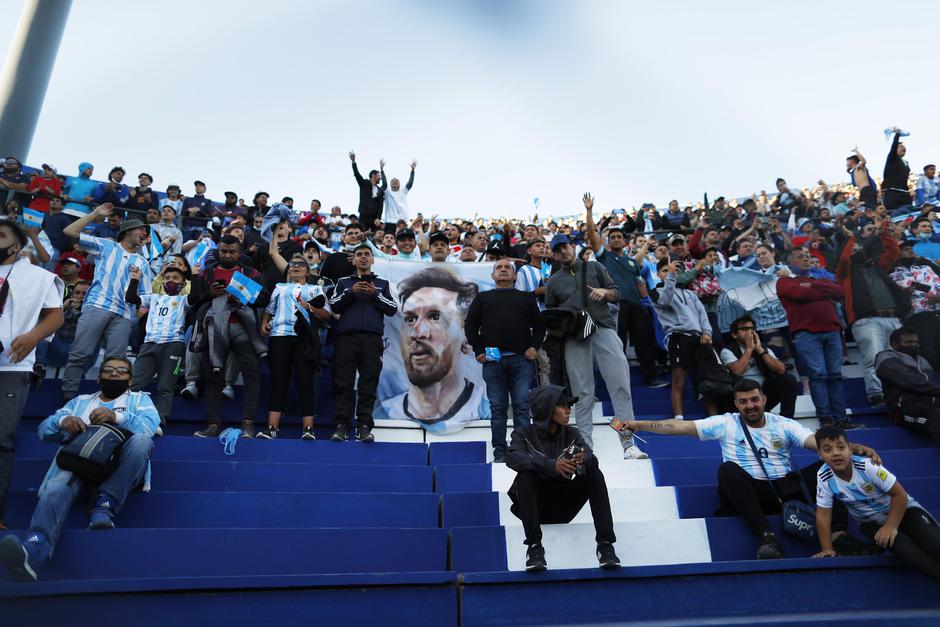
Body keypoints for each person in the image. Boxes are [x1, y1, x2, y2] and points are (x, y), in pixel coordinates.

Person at [620, 379, 879, 559]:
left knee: (832, 465)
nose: (750, 406)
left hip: (786, 489)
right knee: (727, 471)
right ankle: (766, 537)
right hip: (749, 493)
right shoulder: (725, 423)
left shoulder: (783, 424)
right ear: (736, 404)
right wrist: (638, 425)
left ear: (764, 399)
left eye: (754, 400)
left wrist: (853, 448)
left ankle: (839, 535)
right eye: (743, 402)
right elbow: (678, 427)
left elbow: (817, 444)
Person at [0, 356, 158, 582]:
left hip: (118, 470)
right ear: (98, 378)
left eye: (121, 371)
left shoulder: (140, 400)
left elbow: (149, 426)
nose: (114, 374)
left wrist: (116, 416)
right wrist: (62, 422)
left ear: (130, 380)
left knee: (142, 441)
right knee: (56, 489)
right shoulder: (81, 402)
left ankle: (105, 504)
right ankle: (34, 551)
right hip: (80, 466)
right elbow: (44, 431)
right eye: (108, 370)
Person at [545, 227, 646, 460]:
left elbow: (617, 292)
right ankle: (584, 448)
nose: (563, 252)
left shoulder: (595, 266)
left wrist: (604, 292)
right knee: (582, 393)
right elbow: (551, 312)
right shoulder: (554, 281)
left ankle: (628, 443)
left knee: (619, 385)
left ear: (573, 247)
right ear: (554, 255)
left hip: (602, 329)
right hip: (575, 337)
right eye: (557, 250)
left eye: (565, 247)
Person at [506, 384, 620, 572]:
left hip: (564, 505)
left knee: (593, 472)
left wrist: (584, 458)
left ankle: (605, 545)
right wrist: (550, 465)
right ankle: (534, 548)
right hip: (535, 507)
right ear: (547, 408)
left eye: (569, 406)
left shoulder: (572, 434)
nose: (569, 410)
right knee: (526, 475)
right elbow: (512, 457)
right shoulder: (523, 434)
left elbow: (592, 457)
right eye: (563, 406)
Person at [0, 221, 64, 530]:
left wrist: (32, 337)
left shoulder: (38, 277)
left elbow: (55, 315)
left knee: (1, 439)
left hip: (11, 365)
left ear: (15, 246)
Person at [813, 425, 940, 580]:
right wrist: (827, 548)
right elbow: (823, 516)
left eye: (841, 447)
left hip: (903, 510)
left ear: (850, 450)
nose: (836, 453)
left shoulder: (867, 466)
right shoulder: (824, 476)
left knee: (933, 543)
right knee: (904, 549)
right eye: (827, 450)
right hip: (871, 523)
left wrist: (891, 526)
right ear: (819, 455)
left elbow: (899, 495)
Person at [60, 204, 152, 402]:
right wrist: (95, 214)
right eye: (141, 229)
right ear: (127, 231)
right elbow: (69, 231)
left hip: (124, 315)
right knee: (80, 353)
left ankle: (109, 399)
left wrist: (138, 303)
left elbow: (147, 295)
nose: (145, 233)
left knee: (116, 362)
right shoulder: (107, 245)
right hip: (98, 305)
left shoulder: (143, 262)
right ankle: (68, 396)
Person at [380, 266, 486, 433]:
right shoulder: (382, 413)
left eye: (435, 317)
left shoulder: (487, 410)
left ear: (466, 335)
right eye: (410, 318)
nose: (418, 333)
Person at [464, 259, 544, 462]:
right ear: (492, 276)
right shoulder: (483, 298)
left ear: (515, 275)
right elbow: (471, 325)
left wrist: (534, 347)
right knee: (498, 408)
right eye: (498, 268)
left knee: (521, 406)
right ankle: (499, 452)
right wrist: (478, 350)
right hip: (492, 362)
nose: (503, 270)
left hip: (521, 361)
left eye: (507, 268)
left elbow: (540, 325)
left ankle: (523, 450)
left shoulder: (526, 298)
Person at [583, 194, 665, 388]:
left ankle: (651, 378)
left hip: (636, 305)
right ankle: (615, 381)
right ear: (609, 241)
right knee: (617, 344)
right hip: (614, 306)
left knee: (644, 342)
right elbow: (593, 236)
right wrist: (589, 211)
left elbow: (640, 284)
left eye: (620, 236)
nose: (617, 239)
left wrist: (648, 304)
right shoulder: (604, 256)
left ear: (624, 240)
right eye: (613, 237)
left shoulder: (632, 262)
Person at [192, 236, 269, 438]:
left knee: (251, 375)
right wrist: (210, 294)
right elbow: (194, 301)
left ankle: (248, 424)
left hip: (244, 330)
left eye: (232, 252)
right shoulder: (205, 273)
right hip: (215, 329)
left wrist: (244, 296)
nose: (227, 255)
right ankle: (212, 425)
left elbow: (264, 299)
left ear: (240, 252)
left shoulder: (251, 273)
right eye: (223, 251)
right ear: (218, 251)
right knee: (213, 377)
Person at [836, 218, 909, 406]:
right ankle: (877, 395)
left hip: (892, 318)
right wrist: (853, 237)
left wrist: (882, 232)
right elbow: (845, 258)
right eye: (854, 248)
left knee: (897, 361)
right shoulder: (845, 272)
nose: (856, 250)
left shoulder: (877, 266)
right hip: (866, 321)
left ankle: (899, 395)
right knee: (874, 359)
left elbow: (892, 251)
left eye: (858, 247)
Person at [258, 254, 331, 440]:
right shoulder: (279, 288)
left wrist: (310, 308)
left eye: (300, 264)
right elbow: (269, 310)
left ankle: (308, 429)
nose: (295, 267)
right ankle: (272, 429)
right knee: (278, 382)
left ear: (307, 270)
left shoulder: (316, 289)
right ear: (288, 270)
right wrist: (264, 322)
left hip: (304, 338)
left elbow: (326, 315)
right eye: (292, 265)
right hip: (279, 336)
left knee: (305, 381)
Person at [329, 244, 397, 442]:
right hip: (346, 339)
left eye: (367, 254)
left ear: (373, 259)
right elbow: (333, 305)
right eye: (359, 254)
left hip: (371, 339)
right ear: (354, 259)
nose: (363, 258)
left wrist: (374, 294)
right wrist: (351, 292)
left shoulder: (382, 283)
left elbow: (392, 309)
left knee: (369, 383)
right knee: (343, 383)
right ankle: (341, 426)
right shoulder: (343, 282)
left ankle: (364, 426)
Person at [777, 248, 852, 428]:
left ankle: (841, 419)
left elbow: (840, 292)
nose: (806, 259)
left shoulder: (818, 279)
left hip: (832, 332)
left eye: (807, 257)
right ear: (790, 262)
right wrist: (824, 291)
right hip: (806, 334)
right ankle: (826, 419)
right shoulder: (784, 281)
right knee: (818, 376)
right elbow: (798, 294)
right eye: (800, 257)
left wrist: (814, 285)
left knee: (835, 375)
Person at [125, 264, 204, 432]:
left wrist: (195, 275)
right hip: (149, 344)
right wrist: (135, 279)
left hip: (173, 345)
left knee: (165, 386)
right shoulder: (153, 298)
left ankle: (159, 422)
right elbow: (131, 297)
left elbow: (195, 296)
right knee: (135, 382)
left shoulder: (183, 300)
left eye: (176, 279)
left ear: (183, 284)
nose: (171, 281)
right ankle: (125, 416)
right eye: (167, 278)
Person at [652, 258, 719, 419]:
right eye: (666, 271)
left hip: (699, 338)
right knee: (678, 377)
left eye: (677, 270)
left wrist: (707, 333)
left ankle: (714, 418)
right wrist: (671, 277)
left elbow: (702, 314)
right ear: (659, 275)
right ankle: (679, 418)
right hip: (678, 337)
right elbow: (665, 300)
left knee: (707, 379)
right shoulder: (656, 291)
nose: (673, 273)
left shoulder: (690, 293)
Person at [720, 316, 797, 418]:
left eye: (752, 329)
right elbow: (737, 371)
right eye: (744, 329)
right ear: (734, 335)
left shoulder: (763, 348)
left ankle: (787, 419)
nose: (749, 332)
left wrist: (760, 351)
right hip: (742, 393)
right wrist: (749, 350)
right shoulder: (727, 351)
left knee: (789, 379)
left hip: (764, 391)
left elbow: (781, 370)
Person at [875, 327, 940, 444]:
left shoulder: (922, 360)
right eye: (909, 342)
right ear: (895, 344)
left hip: (929, 405)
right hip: (903, 411)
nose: (914, 345)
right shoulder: (886, 358)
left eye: (916, 342)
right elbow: (914, 383)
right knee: (937, 416)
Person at [891, 239, 940, 368]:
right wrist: (904, 293)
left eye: (912, 248)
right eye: (906, 249)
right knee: (928, 355)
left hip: (938, 313)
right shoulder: (894, 274)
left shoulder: (927, 267)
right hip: (917, 317)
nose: (911, 251)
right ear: (898, 253)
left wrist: (938, 298)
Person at [350, 151, 386, 230]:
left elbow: (380, 205)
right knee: (361, 233)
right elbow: (357, 174)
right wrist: (353, 162)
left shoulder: (380, 190)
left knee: (373, 237)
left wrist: (378, 218)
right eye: (379, 175)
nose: (380, 178)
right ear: (373, 175)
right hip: (363, 215)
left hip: (374, 218)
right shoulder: (364, 184)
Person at [383, 160, 417, 232]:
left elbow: (410, 183)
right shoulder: (387, 192)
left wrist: (412, 170)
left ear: (399, 184)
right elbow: (384, 183)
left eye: (397, 181)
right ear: (390, 184)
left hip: (402, 222)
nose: (395, 181)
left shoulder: (403, 191)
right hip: (390, 222)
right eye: (393, 181)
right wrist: (382, 170)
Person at [882, 129, 912, 211]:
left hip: (904, 193)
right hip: (892, 193)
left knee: (908, 215)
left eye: (904, 147)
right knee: (893, 214)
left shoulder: (906, 163)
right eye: (901, 146)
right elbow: (894, 146)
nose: (904, 148)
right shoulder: (892, 158)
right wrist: (897, 135)